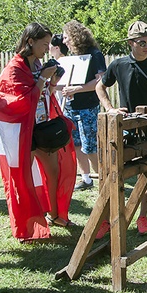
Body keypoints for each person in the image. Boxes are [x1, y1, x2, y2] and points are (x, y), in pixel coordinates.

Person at [0, 23, 77, 241]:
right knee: (22, 178)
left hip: (40, 128)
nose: (47, 48)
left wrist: (51, 81)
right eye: (44, 44)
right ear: (30, 41)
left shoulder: (37, 63)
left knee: (54, 172)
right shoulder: (15, 68)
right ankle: (24, 226)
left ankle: (55, 215)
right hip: (22, 132)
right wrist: (42, 79)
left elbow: (42, 94)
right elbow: (17, 101)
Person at [95, 20, 147, 238]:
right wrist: (109, 109)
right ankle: (106, 220)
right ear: (130, 43)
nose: (146, 46)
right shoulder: (118, 65)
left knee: (146, 174)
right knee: (110, 174)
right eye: (141, 42)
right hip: (123, 128)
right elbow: (100, 86)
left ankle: (143, 217)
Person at [60, 20, 106, 191]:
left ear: (75, 36)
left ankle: (103, 179)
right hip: (71, 108)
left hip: (88, 108)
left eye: (66, 38)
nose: (64, 42)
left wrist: (77, 89)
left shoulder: (94, 54)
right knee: (76, 144)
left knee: (90, 146)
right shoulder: (72, 56)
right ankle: (86, 179)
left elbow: (101, 80)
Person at [49, 34, 68, 107]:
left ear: (57, 48)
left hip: (64, 104)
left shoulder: (64, 64)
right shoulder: (54, 63)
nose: (48, 48)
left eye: (50, 45)